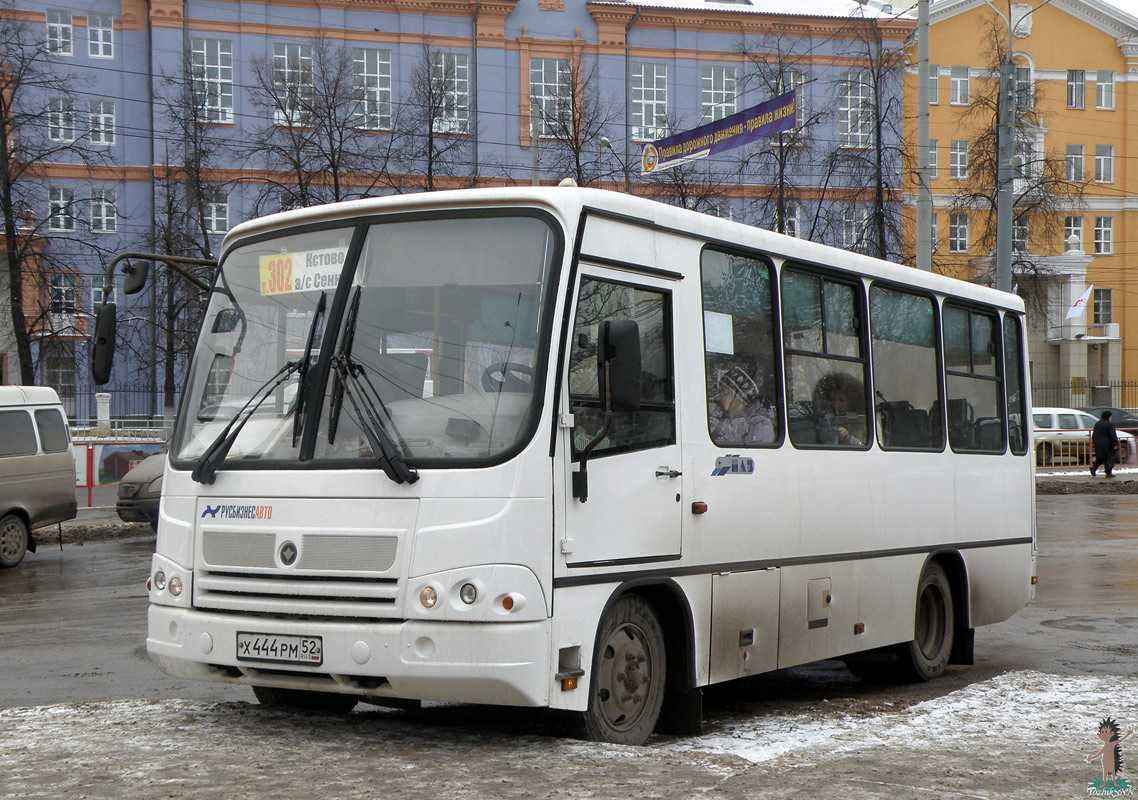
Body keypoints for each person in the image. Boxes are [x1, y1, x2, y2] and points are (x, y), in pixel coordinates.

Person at [710, 365, 775, 445]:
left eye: (724, 394)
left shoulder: (760, 425)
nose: (720, 398)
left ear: (739, 397)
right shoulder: (725, 418)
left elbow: (753, 455)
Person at [1091, 410, 1120, 477]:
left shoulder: (1097, 423)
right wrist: (1116, 443)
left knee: (1100, 458)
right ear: (1108, 417)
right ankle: (1108, 472)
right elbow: (1112, 435)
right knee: (1109, 458)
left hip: (1098, 444)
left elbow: (1094, 434)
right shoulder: (1109, 424)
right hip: (1107, 444)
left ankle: (1093, 468)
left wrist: (1094, 442)